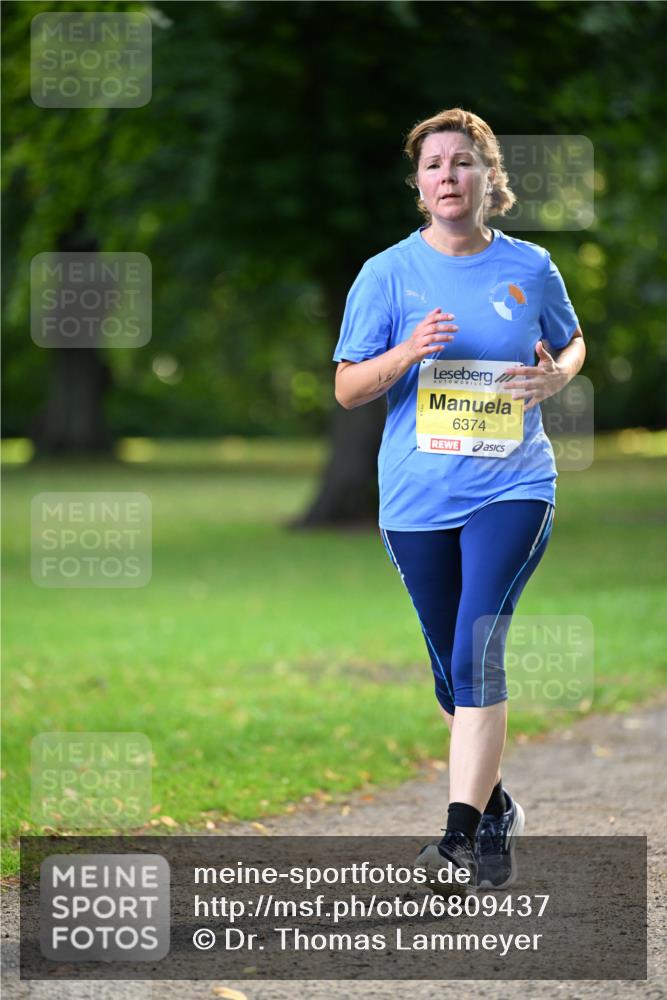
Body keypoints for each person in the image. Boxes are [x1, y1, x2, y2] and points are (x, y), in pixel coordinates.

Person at [332, 107, 586, 890]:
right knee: (451, 673)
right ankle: (495, 806)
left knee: (478, 648)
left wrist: (557, 375)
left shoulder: (532, 266)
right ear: (418, 184)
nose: (448, 175)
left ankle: (453, 839)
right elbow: (346, 388)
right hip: (415, 498)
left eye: (463, 162)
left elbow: (573, 341)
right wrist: (408, 350)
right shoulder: (386, 274)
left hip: (512, 485)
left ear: (489, 178)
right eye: (434, 164)